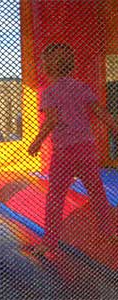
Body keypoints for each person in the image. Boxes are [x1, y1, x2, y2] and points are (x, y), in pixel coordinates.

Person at [28, 43, 118, 255]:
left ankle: (49, 241)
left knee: (55, 196)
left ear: (47, 69)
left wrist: (37, 141)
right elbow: (101, 112)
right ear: (72, 66)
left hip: (64, 153)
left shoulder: (49, 92)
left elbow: (51, 120)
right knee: (96, 191)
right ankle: (110, 231)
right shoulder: (82, 87)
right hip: (86, 149)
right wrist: (115, 129)